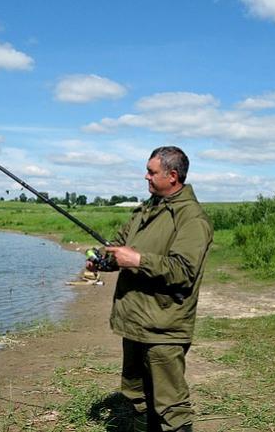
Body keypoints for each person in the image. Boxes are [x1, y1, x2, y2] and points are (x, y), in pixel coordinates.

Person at [87, 146, 213, 432]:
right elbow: (119, 245)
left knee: (171, 406)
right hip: (134, 322)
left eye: (151, 171)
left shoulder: (192, 218)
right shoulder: (147, 208)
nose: (145, 176)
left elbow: (184, 270)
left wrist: (138, 259)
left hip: (163, 326)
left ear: (172, 176)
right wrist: (102, 260)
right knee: (135, 397)